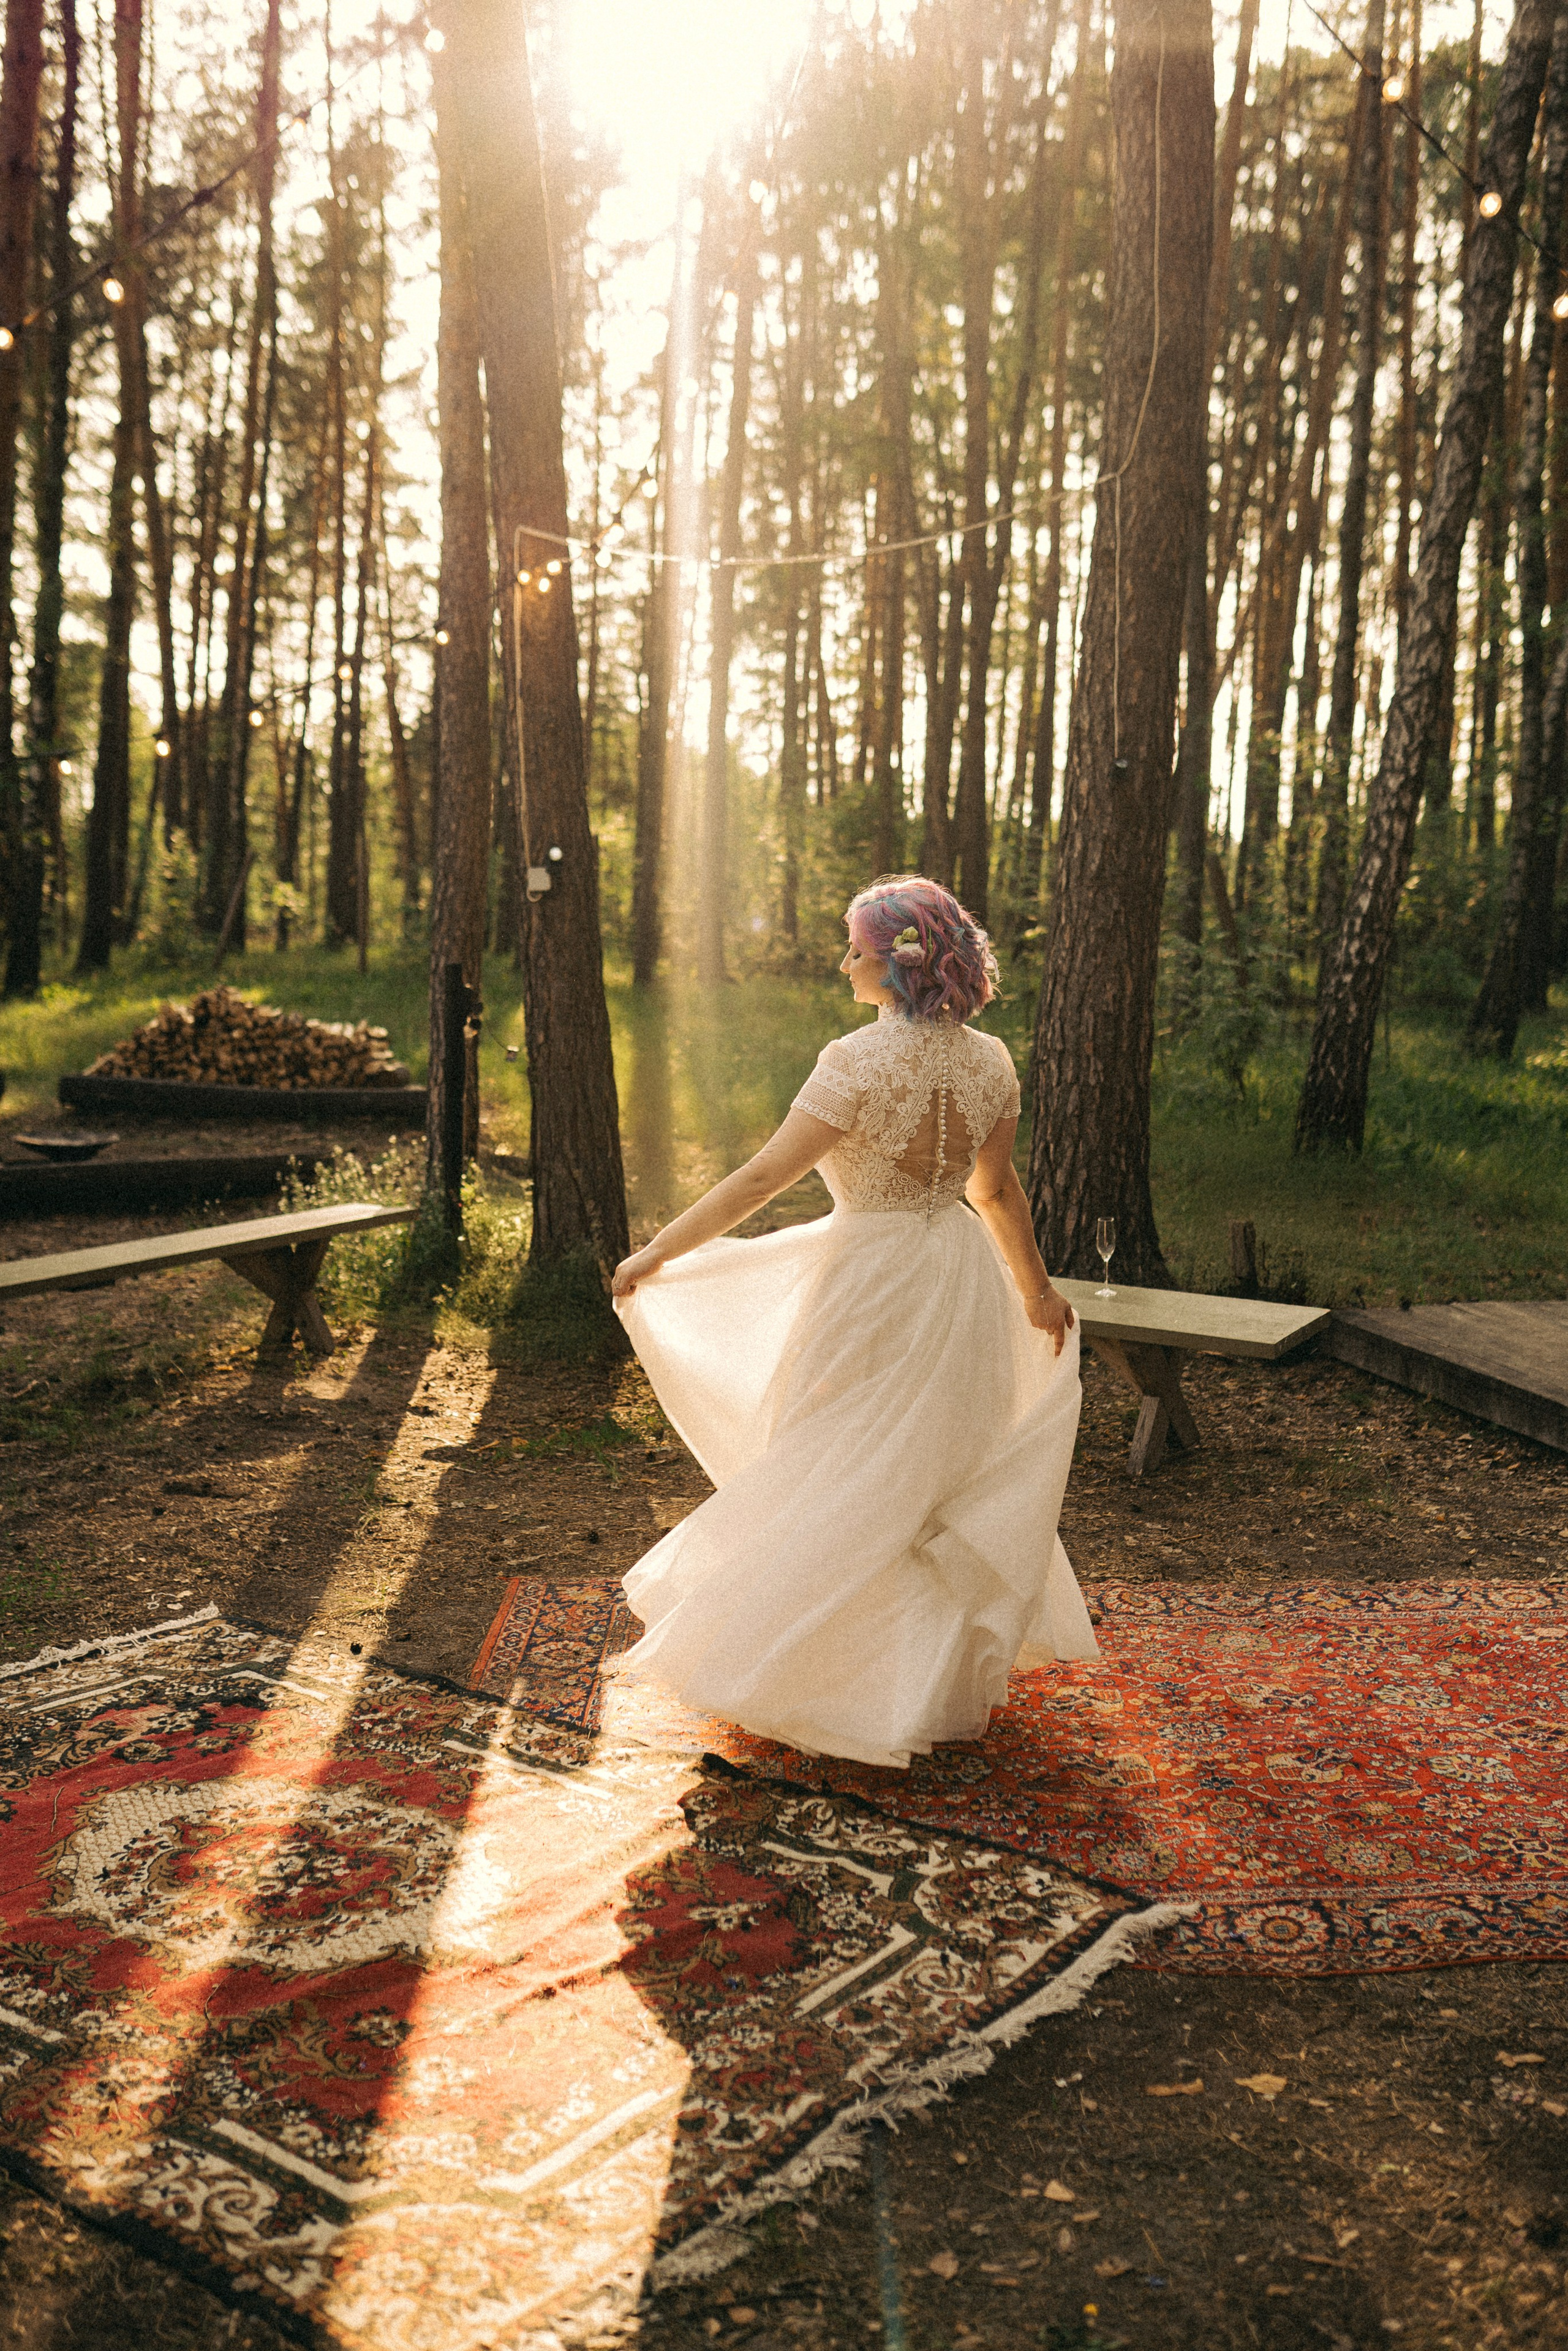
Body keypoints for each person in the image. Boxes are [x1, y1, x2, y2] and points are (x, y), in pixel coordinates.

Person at [610, 875, 1097, 1769]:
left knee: (835, 1460)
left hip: (872, 1283)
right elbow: (992, 1191)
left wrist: (658, 1252)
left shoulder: (854, 1062)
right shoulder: (992, 1061)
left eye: (857, 948)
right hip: (956, 1279)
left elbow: (763, 1179)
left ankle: (823, 1678)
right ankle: (916, 1684)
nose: (845, 962)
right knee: (925, 1475)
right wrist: (1032, 1289)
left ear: (899, 962)